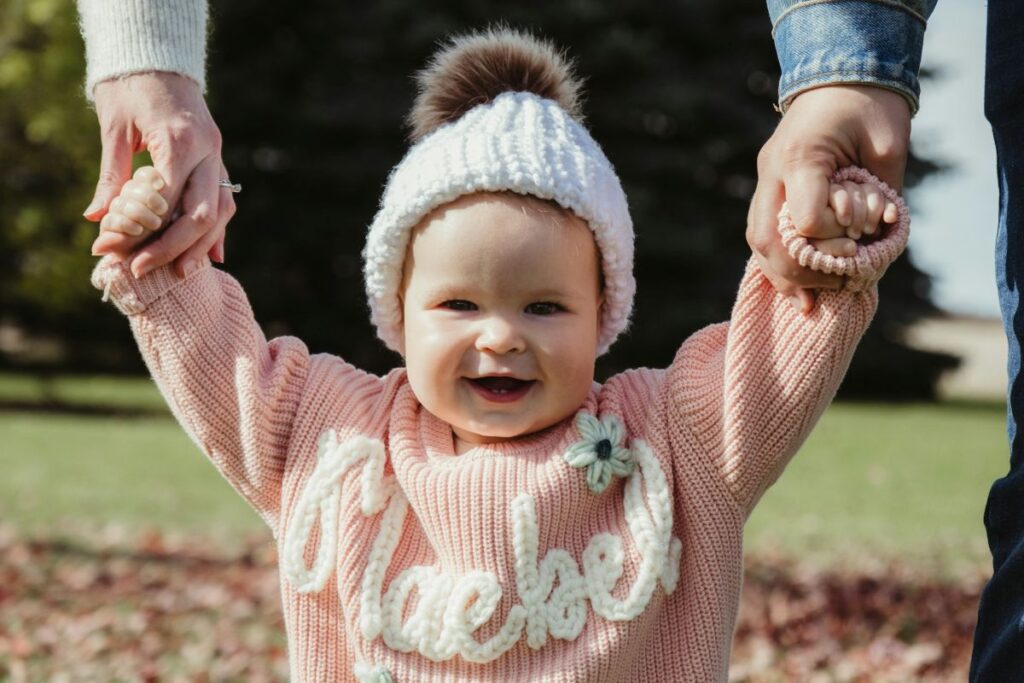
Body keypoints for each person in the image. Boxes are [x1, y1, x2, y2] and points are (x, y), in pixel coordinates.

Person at [89, 28, 907, 681]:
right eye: (458, 304)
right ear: (398, 315)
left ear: (603, 315)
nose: (501, 335)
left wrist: (821, 244)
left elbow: (769, 358)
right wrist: (163, 253)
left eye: (545, 306)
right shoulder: (330, 438)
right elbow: (220, 365)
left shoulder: (673, 442)